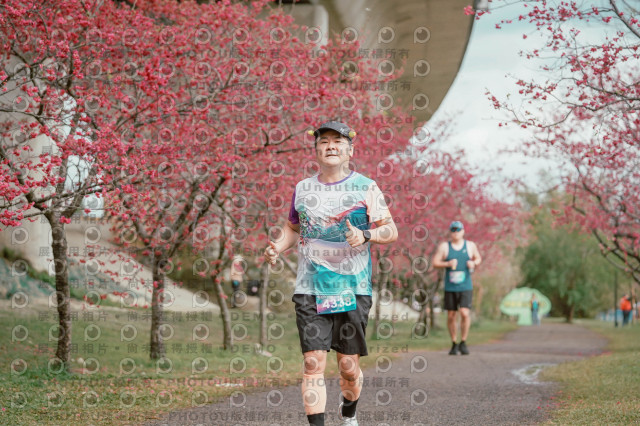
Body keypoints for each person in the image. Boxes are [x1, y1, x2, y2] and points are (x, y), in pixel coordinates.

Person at [264, 121, 398, 426]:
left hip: (353, 289)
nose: (330, 147)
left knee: (348, 367)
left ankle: (349, 412)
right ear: (316, 150)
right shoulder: (303, 188)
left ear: (350, 150)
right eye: (324, 142)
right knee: (313, 362)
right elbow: (292, 228)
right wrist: (278, 247)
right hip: (310, 288)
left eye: (338, 142)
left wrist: (365, 235)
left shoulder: (367, 186)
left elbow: (390, 230)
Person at [432, 221, 482, 355]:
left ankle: (463, 341)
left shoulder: (470, 245)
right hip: (450, 287)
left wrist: (474, 263)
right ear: (450, 232)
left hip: (465, 286)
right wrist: (447, 264)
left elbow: (478, 258)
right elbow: (435, 262)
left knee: (465, 313)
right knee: (451, 316)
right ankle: (454, 343)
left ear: (463, 231)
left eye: (458, 230)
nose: (455, 232)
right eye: (453, 230)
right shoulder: (445, 247)